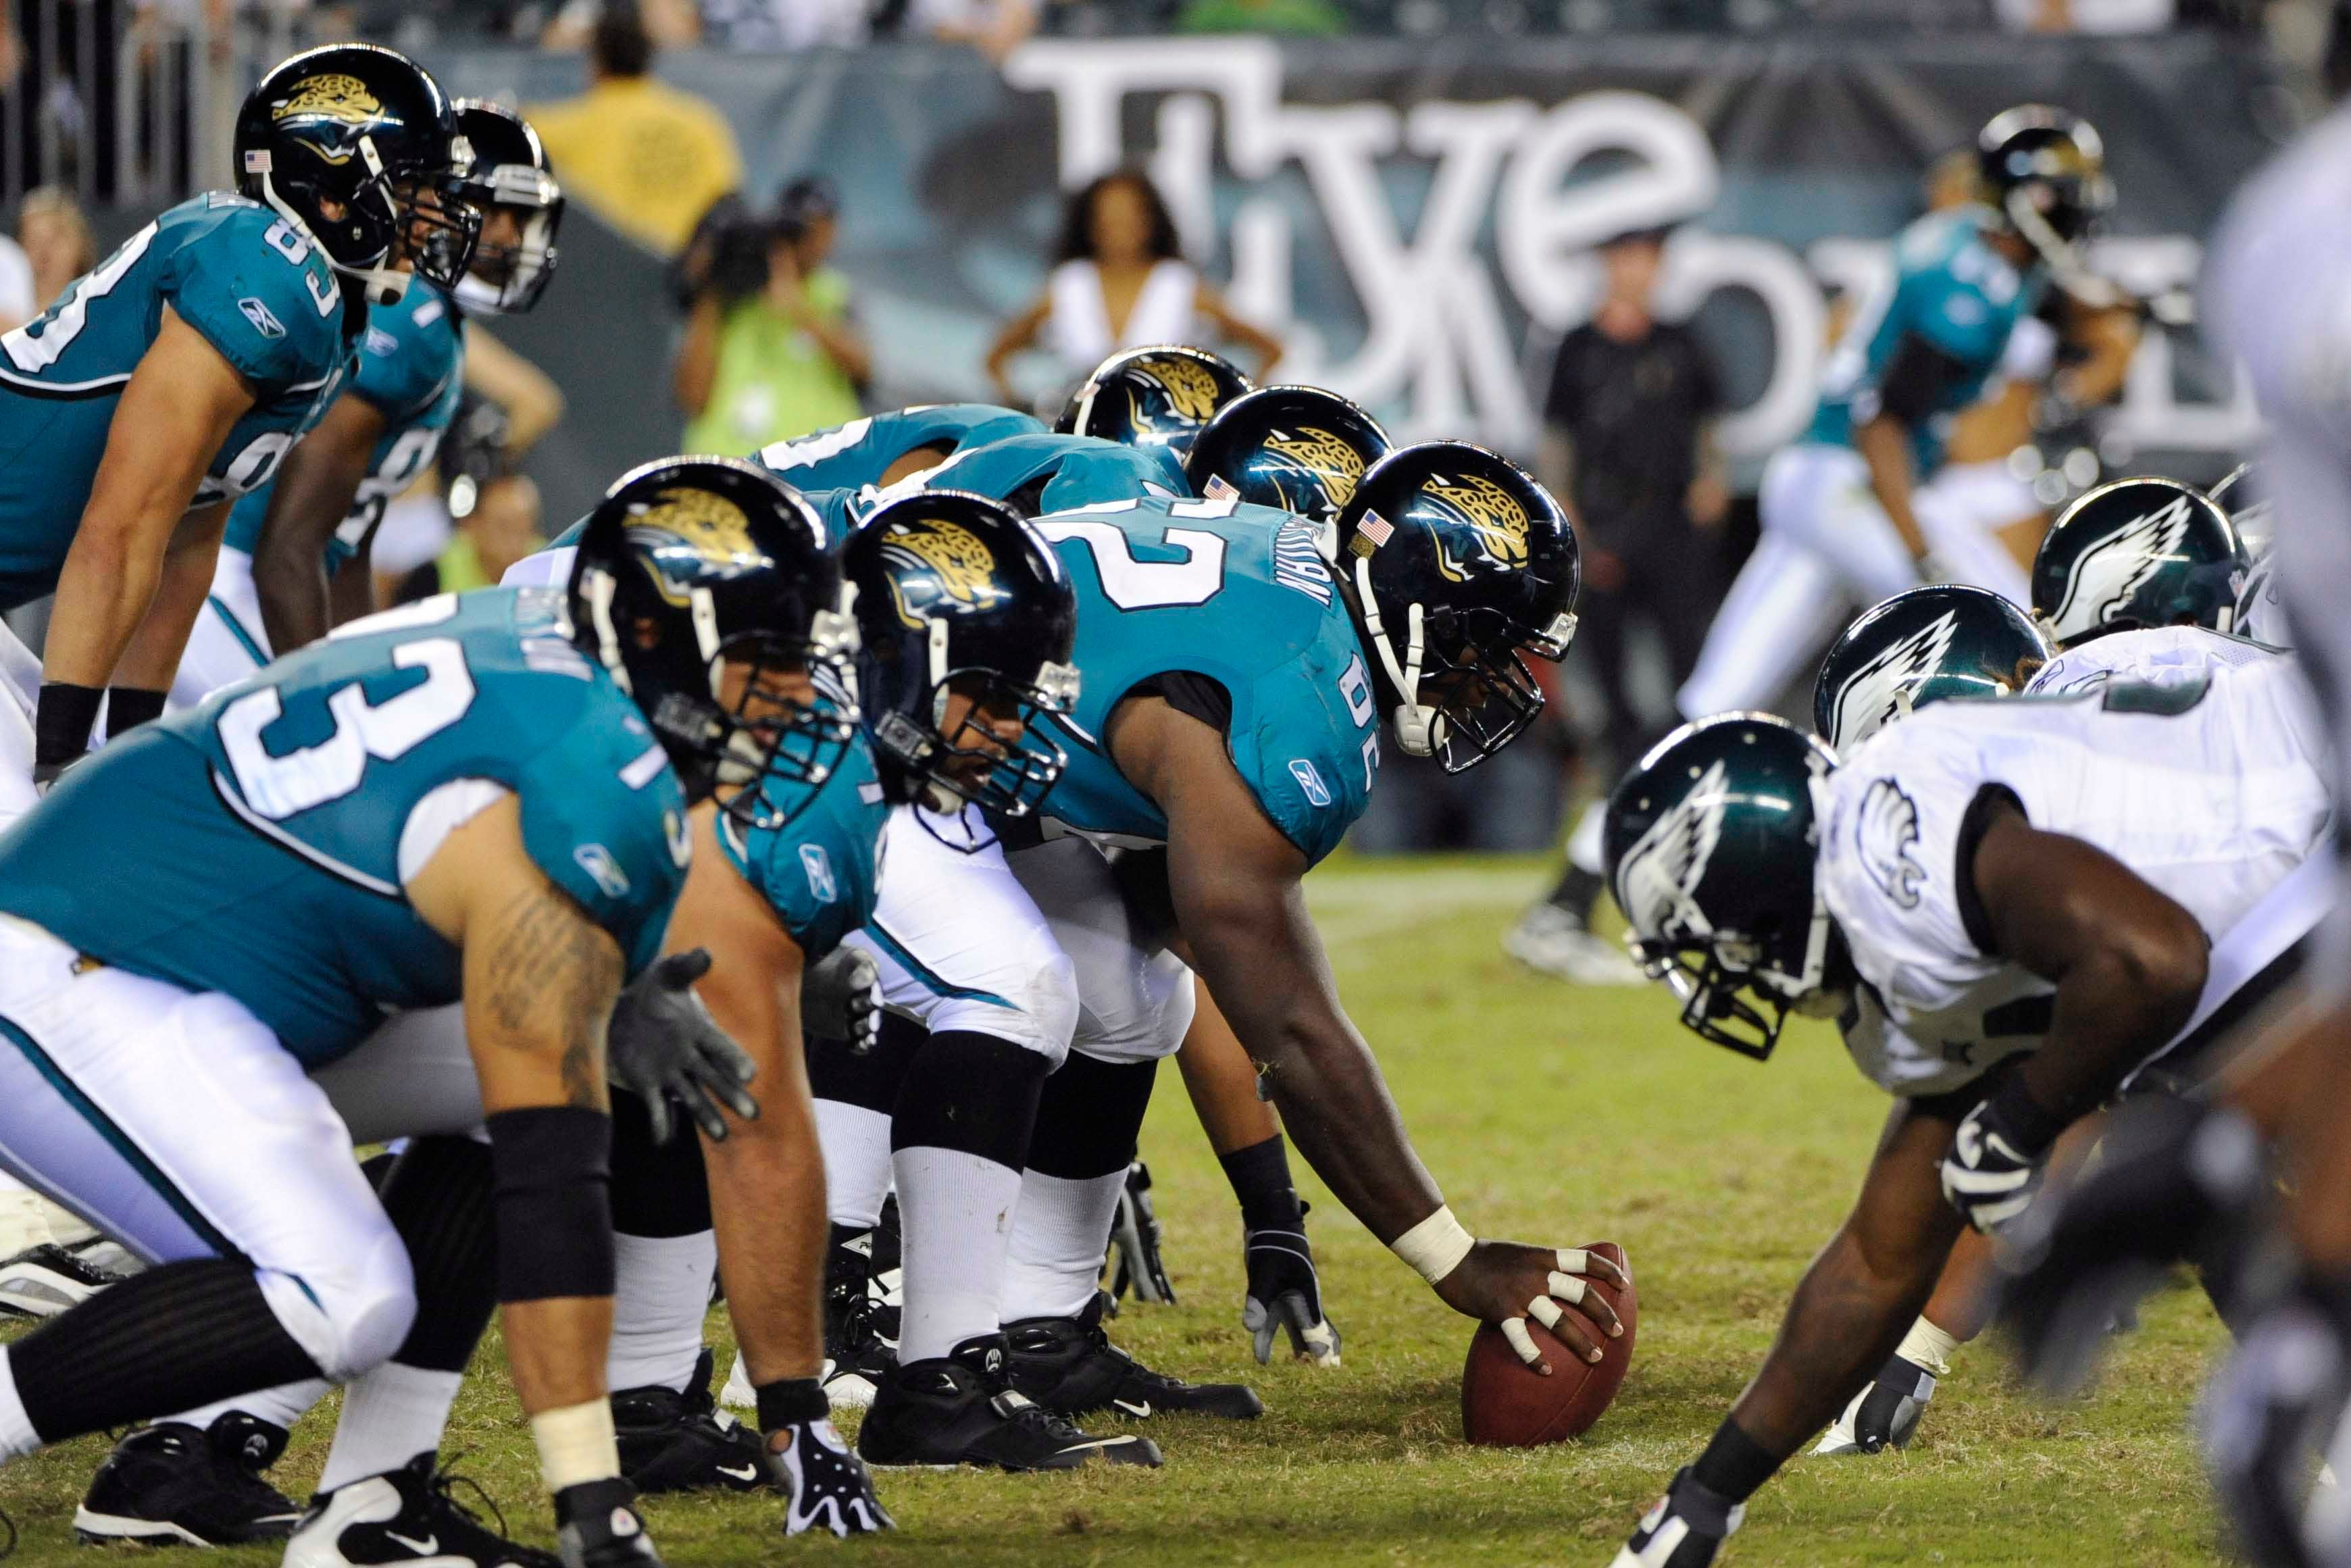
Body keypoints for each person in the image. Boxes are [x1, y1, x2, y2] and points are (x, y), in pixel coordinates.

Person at [0, 457, 875, 1565]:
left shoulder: (568, 702)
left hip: (204, 976)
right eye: (768, 662)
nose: (797, 699)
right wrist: (590, 1497)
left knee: (551, 1072)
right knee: (342, 1287)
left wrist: (620, 993)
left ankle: (374, 1501)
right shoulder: (583, 775)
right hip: (72, 970)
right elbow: (551, 1175)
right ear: (659, 642)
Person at [1600, 654, 2329, 1567]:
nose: (1719, 982)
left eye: (1709, 944)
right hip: (2300, 883)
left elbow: (2153, 960)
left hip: (2309, 810)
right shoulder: (1886, 958)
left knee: (2214, 1137)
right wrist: (1709, 1495)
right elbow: (1876, 1260)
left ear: (1754, 893)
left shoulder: (1887, 858)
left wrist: (2025, 1117)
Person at [0, 43, 480, 812]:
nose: (430, 216)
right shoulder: (266, 269)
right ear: (332, 189)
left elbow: (188, 539)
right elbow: (120, 524)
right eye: (414, 189)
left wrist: (122, 744)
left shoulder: (324, 311)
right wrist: (61, 768)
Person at [1675, 106, 2114, 726]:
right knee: (1997, 634)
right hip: (1853, 482)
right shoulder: (1962, 289)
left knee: (1720, 693)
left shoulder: (1974, 243)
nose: (2078, 211)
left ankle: (1630, 801)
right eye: (2064, 198)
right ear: (2025, 200)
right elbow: (1881, 425)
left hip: (1828, 478)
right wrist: (1921, 556)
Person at [168, 99, 565, 708]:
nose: (513, 237)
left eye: (522, 219)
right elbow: (289, 550)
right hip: (233, 580)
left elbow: (344, 542)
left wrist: (361, 666)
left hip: (254, 579)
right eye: (500, 213)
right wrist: (337, 709)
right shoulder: (411, 320)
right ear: (443, 201)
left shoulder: (431, 321)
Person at [1504, 224, 1726, 987]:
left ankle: (1624, 876)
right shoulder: (1578, 346)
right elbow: (1558, 437)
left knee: (1696, 699)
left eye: (1649, 257)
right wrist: (1573, 525)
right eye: (1626, 256)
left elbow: (1705, 427)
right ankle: (1590, 877)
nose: (1638, 270)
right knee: (1647, 716)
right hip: (1605, 530)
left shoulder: (1680, 340)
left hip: (1669, 533)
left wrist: (1708, 482)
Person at [985, 171, 1282, 408]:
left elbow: (1271, 349)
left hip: (1166, 445)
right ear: (1089, 223)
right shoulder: (1068, 286)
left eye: (1129, 215)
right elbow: (996, 358)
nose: (1119, 225)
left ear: (1150, 221)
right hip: (1083, 443)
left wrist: (1230, 410)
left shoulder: (1178, 285)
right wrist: (1027, 413)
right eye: (1108, 215)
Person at [676, 177, 871, 453]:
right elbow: (692, 396)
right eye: (797, 230)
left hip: (809, 481)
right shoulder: (732, 299)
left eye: (816, 228)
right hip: (729, 473)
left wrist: (798, 309)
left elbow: (863, 368)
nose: (804, 242)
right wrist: (710, 288)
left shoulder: (835, 296)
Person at [527, 6, 741, 256]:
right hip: (687, 276)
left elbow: (511, 133)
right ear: (650, 53)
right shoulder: (702, 122)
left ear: (596, 59)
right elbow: (729, 206)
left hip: (608, 274)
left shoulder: (566, 127)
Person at [16, 185, 95, 315]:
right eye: (33, 241)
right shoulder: (7, 318)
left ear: (81, 245)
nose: (44, 253)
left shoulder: (102, 312)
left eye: (55, 240)